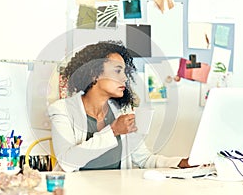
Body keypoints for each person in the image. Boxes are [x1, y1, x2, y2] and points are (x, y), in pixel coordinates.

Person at [48, 40, 191, 172]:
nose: (124, 78)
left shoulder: (123, 111)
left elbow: (144, 158)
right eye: (117, 71)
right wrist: (113, 131)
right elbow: (66, 162)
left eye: (124, 72)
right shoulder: (62, 110)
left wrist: (180, 163)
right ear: (94, 74)